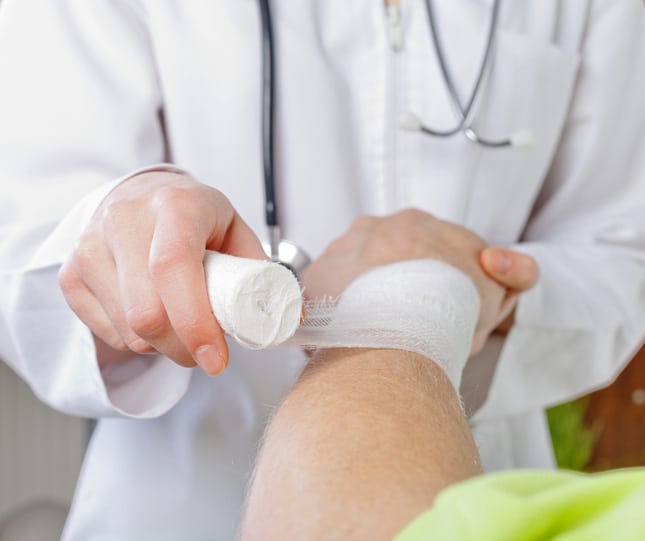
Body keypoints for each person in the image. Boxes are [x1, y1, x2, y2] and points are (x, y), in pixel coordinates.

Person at [0, 0, 644, 539]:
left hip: (467, 487)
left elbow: (624, 253)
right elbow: (31, 250)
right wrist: (120, 229)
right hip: (178, 498)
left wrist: (463, 292)